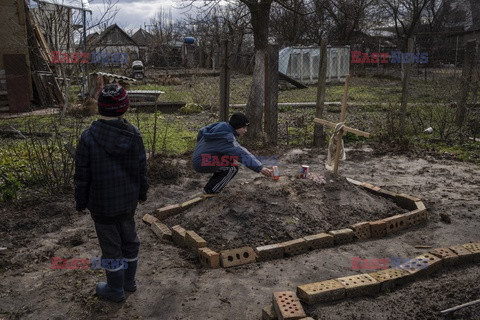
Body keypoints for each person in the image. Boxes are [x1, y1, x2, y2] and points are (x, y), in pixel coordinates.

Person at [74, 83, 148, 302]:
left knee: (111, 247)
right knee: (130, 241)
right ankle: (129, 282)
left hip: (102, 206)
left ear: (100, 108)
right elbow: (141, 169)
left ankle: (115, 290)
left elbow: (82, 175)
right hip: (127, 202)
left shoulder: (88, 138)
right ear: (125, 108)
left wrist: (81, 201)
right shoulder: (134, 135)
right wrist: (142, 193)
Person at [192, 112, 273, 194]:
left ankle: (211, 186)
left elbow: (201, 131)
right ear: (236, 126)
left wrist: (203, 148)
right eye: (243, 128)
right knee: (232, 168)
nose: (246, 130)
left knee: (228, 161)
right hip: (202, 162)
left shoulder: (221, 126)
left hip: (198, 158)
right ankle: (211, 191)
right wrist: (260, 167)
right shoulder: (227, 138)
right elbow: (241, 154)